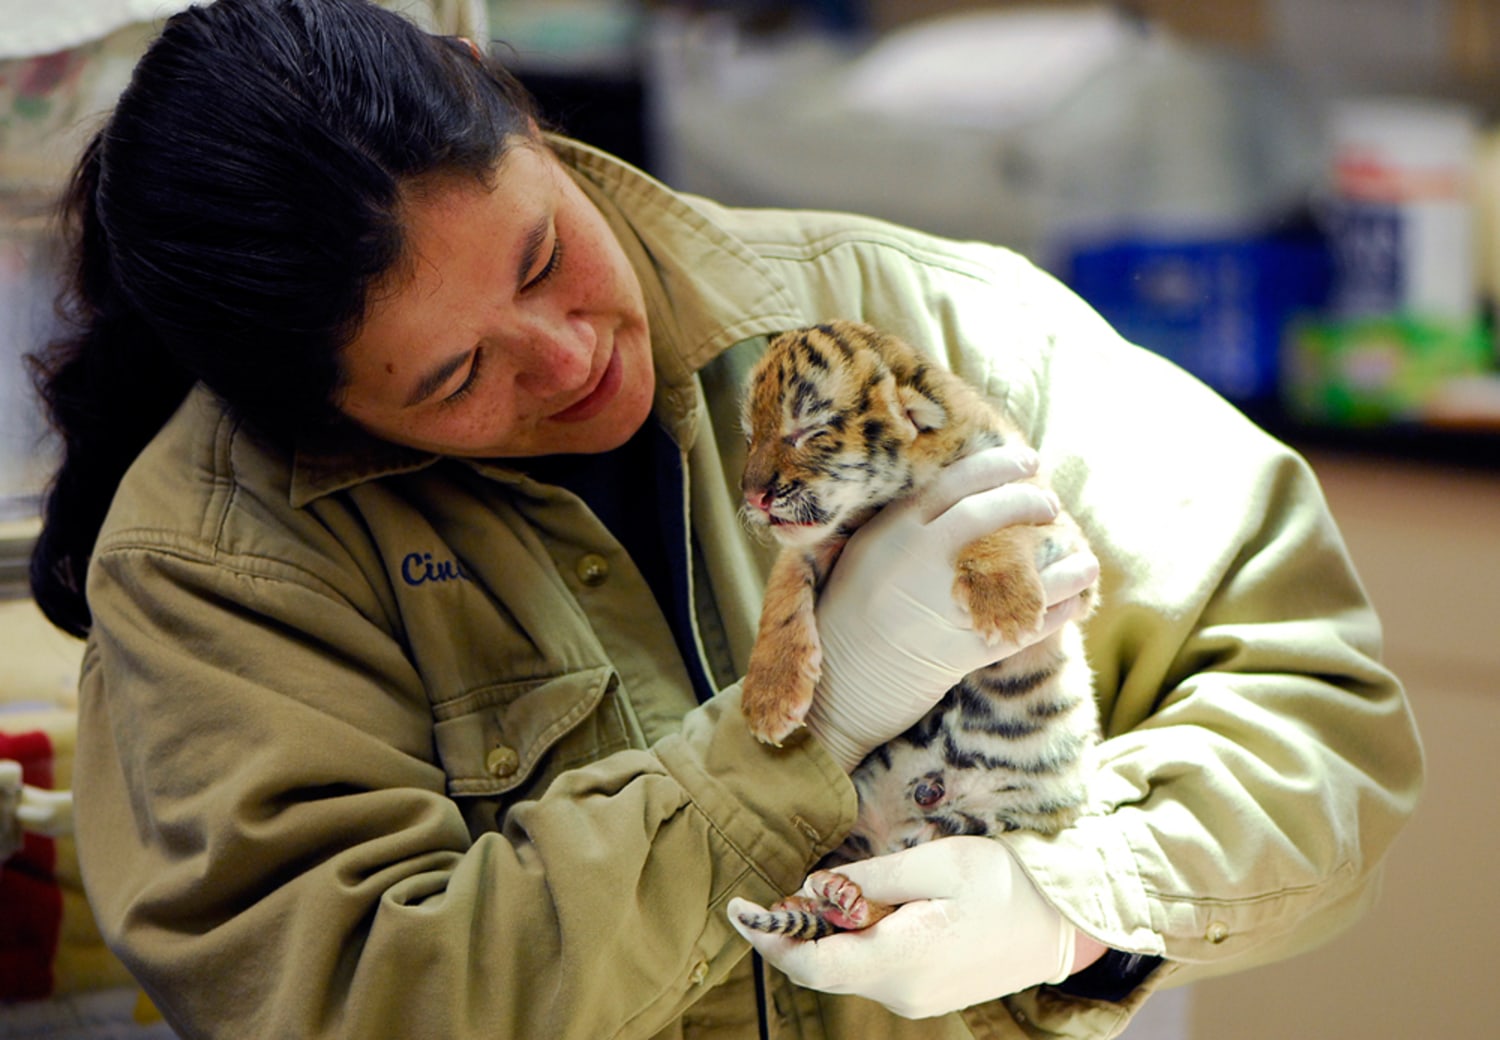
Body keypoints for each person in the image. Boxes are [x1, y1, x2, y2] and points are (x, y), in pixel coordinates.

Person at [27, 1, 1422, 1037]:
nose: (567, 356)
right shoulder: (219, 563)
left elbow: (1320, 709)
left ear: (529, 126)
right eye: (458, 375)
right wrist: (801, 735)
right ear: (322, 415)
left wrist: (1070, 904)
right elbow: (365, 1000)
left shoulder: (919, 321)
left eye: (544, 255)